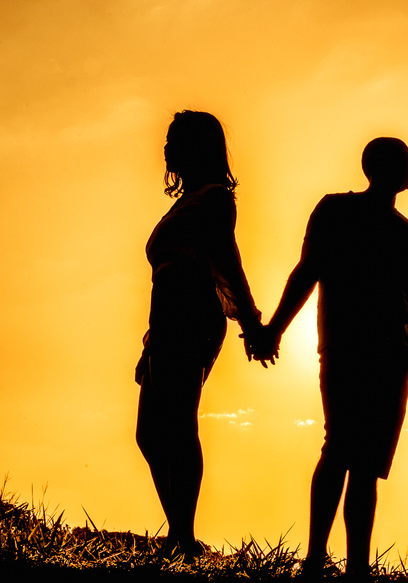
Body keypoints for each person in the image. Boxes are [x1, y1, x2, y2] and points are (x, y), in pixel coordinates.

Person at [256, 137, 408, 577]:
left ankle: (356, 568)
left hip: (392, 354)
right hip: (345, 344)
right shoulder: (335, 210)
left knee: (367, 464)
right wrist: (275, 328)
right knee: (339, 448)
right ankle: (315, 557)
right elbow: (306, 273)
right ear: (377, 166)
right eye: (404, 161)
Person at [136, 110, 265, 559]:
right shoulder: (187, 200)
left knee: (176, 422)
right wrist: (151, 341)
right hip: (166, 320)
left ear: (197, 146)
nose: (167, 146)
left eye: (175, 139)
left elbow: (226, 262)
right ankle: (180, 533)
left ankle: (183, 538)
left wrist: (250, 322)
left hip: (191, 316)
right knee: (150, 434)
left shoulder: (213, 199)